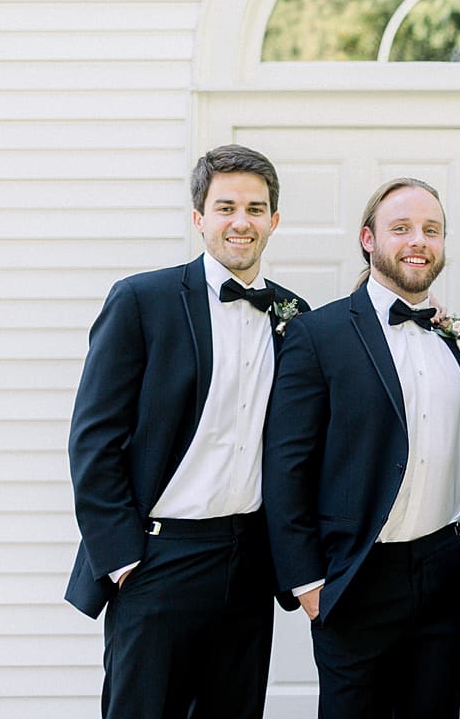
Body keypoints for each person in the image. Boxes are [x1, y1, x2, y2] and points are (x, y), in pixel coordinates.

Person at [65, 144, 308, 718]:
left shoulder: (294, 315)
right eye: (226, 207)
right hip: (157, 558)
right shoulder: (142, 301)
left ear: (274, 220)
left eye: (255, 208)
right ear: (199, 217)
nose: (241, 221)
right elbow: (94, 440)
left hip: (249, 562)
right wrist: (123, 558)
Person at [263, 176, 460, 719]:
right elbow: (286, 465)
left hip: (441, 570)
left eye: (431, 230)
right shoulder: (318, 334)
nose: (418, 241)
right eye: (401, 228)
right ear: (368, 239)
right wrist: (307, 582)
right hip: (356, 576)